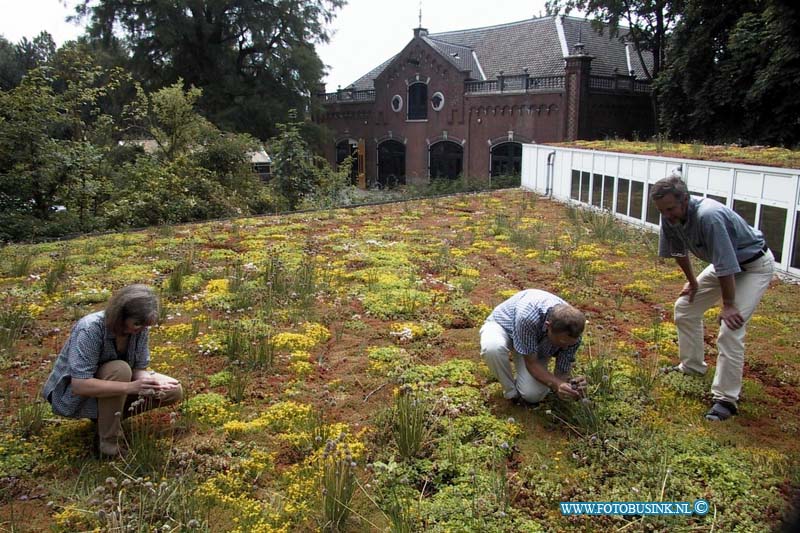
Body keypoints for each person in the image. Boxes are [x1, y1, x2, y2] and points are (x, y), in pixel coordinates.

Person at [651, 174, 774, 421]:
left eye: (671, 208)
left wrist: (728, 305)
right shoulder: (669, 216)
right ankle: (692, 367)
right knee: (685, 308)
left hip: (753, 266)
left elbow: (727, 264)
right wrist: (694, 282)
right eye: (662, 210)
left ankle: (726, 399)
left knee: (730, 328)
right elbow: (678, 251)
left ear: (685, 199)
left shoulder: (709, 216)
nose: (667, 215)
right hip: (724, 266)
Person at [42, 284, 183, 457]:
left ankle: (106, 419)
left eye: (144, 325)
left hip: (115, 385)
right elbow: (79, 385)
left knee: (173, 390)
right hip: (75, 396)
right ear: (121, 315)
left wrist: (152, 380)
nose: (139, 329)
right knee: (119, 369)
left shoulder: (139, 330)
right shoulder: (91, 328)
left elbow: (138, 369)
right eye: (137, 323)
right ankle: (109, 444)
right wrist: (131, 388)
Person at [480, 289, 587, 404]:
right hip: (504, 327)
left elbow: (561, 372)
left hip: (534, 342)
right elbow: (532, 363)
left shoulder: (573, 334)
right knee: (492, 348)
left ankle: (522, 385)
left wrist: (570, 386)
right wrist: (556, 384)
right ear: (548, 326)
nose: (565, 348)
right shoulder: (528, 317)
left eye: (569, 344)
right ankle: (511, 393)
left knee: (533, 395)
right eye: (561, 342)